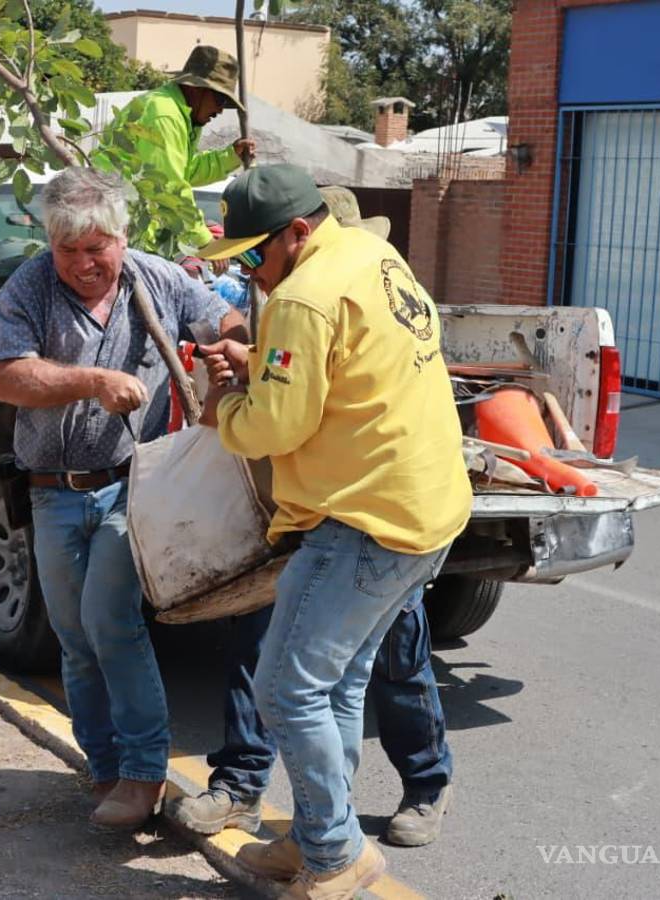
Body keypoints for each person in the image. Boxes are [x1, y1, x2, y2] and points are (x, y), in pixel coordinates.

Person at [193, 165, 472, 898]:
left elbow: (275, 427)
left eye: (255, 256)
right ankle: (319, 831)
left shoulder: (301, 298)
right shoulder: (374, 257)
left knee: (286, 691)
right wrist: (264, 367)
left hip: (364, 521)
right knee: (339, 684)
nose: (249, 273)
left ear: (297, 232)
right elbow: (342, 376)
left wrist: (225, 409)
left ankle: (335, 854)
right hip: (426, 510)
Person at [0, 167, 248, 830]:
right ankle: (103, 767)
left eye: (95, 248)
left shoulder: (158, 279)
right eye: (67, 250)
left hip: (133, 488)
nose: (83, 264)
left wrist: (230, 350)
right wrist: (93, 381)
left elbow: (227, 322)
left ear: (122, 238)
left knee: (111, 622)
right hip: (51, 492)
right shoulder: (29, 287)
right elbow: (8, 377)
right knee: (75, 639)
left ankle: (142, 773)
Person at [102, 45, 256, 254]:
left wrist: (230, 157)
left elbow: (184, 172)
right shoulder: (165, 116)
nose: (220, 110)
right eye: (220, 99)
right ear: (196, 88)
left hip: (128, 234)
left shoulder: (181, 114)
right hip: (119, 235)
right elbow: (170, 188)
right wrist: (205, 242)